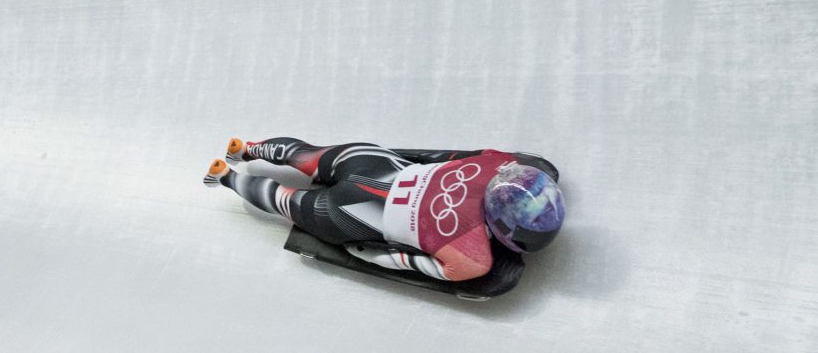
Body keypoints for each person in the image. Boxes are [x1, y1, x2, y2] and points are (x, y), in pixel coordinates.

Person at [203, 137, 564, 282]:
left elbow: (446, 157)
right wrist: (363, 252)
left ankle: (247, 145)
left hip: (371, 163)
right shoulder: (473, 258)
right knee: (287, 202)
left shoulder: (497, 162)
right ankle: (227, 177)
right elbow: (405, 262)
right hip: (350, 215)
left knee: (309, 155)